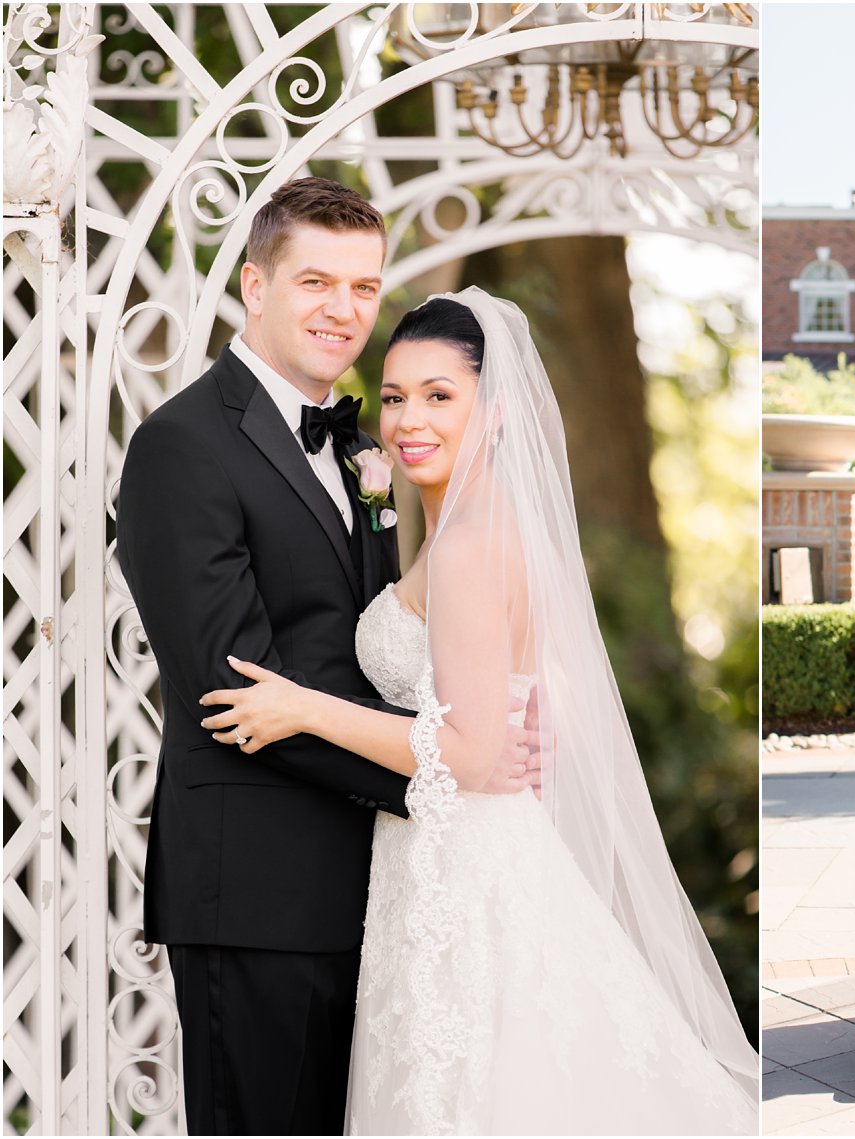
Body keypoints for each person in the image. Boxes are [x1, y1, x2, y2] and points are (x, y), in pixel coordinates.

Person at [197, 289, 759, 1133]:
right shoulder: (475, 528)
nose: (406, 419)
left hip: (464, 870)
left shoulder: (466, 546)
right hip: (463, 851)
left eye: (438, 395)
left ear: (493, 414)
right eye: (393, 397)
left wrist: (303, 707)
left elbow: (463, 750)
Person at [116, 178, 535, 1136]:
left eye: (362, 286)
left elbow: (388, 648)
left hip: (388, 892)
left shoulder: (364, 445)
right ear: (255, 288)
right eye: (316, 282)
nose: (343, 310)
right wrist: (455, 764)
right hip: (258, 891)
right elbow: (238, 691)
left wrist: (476, 729)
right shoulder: (182, 446)